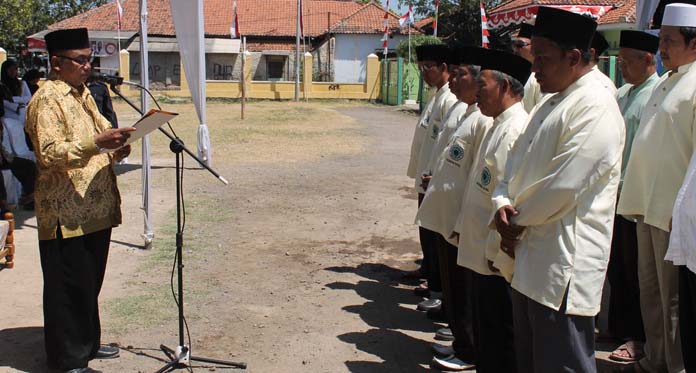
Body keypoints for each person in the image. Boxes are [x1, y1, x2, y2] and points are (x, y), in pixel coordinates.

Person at [492, 7, 625, 372]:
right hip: (528, 252)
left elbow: (563, 187)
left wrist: (513, 220)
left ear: (575, 57)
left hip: (562, 263)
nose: (534, 68)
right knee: (533, 360)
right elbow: (514, 163)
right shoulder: (553, 101)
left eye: (543, 59)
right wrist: (501, 201)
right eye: (534, 57)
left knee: (562, 362)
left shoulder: (596, 105)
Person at [25, 27, 136, 373]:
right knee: (68, 286)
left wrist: (118, 146)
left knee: (89, 282)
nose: (89, 66)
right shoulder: (47, 99)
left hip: (94, 208)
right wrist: (98, 144)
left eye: (90, 59)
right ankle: (67, 359)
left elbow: (100, 133)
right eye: (81, 60)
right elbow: (48, 153)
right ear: (57, 63)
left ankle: (87, 343)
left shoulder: (82, 93)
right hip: (65, 211)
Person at [619, 3, 696, 372]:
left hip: (672, 213)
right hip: (646, 206)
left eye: (669, 40)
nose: (661, 47)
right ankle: (655, 359)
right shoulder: (669, 80)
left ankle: (675, 364)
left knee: (673, 300)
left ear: (694, 43)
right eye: (661, 39)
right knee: (649, 291)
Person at [453, 47, 530, 373]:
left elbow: (509, 198)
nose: (478, 92)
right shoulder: (496, 123)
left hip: (494, 258)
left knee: (500, 334)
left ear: (506, 87)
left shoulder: (515, 129)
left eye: (483, 86)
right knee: (488, 332)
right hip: (481, 252)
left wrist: (496, 252)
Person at [416, 46, 491, 371]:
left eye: (462, 75)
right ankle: (461, 340)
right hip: (450, 211)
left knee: (465, 287)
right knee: (456, 284)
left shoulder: (482, 120)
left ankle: (467, 347)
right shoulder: (467, 112)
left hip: (463, 216)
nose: (455, 80)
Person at [606, 29, 660, 364]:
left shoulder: (656, 94)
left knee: (637, 273)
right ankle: (617, 328)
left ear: (648, 60)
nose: (622, 67)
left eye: (628, 61)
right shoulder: (624, 93)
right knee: (617, 268)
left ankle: (636, 338)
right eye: (620, 60)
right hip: (615, 195)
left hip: (637, 197)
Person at [405, 44, 458, 311]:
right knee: (427, 234)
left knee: (435, 237)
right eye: (421, 67)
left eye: (429, 67)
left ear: (445, 68)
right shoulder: (438, 95)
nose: (424, 72)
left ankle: (437, 286)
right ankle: (430, 274)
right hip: (427, 176)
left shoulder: (449, 99)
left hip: (434, 179)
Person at [514, 23, 542, 113]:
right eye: (514, 45)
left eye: (520, 45)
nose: (515, 49)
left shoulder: (541, 77)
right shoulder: (514, 74)